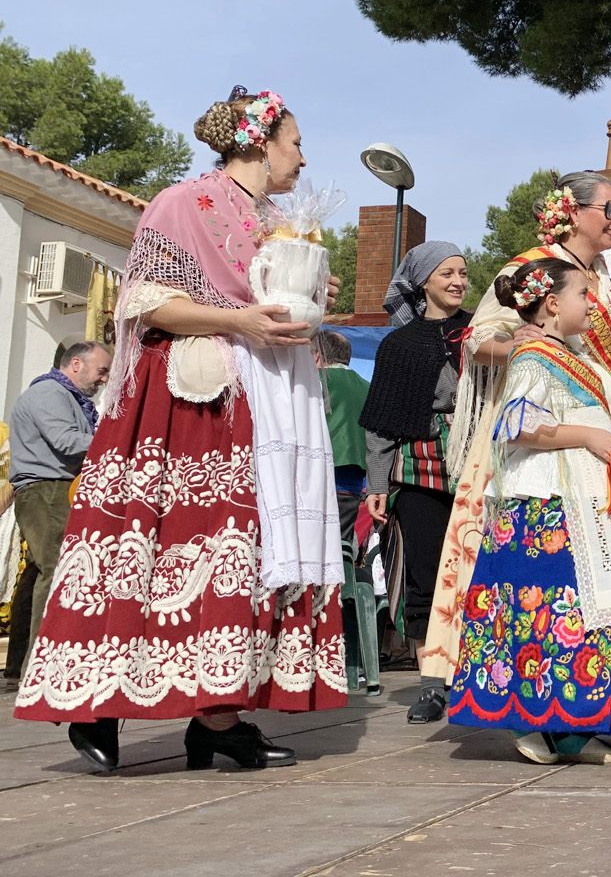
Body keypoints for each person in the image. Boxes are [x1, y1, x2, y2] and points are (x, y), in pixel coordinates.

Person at [14, 87, 347, 771]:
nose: (303, 157)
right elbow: (147, 302)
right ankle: (95, 705)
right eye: (296, 141)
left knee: (235, 548)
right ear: (257, 140)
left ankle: (218, 716)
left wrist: (312, 294)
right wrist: (241, 319)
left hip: (256, 401)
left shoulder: (279, 219)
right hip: (188, 401)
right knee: (159, 540)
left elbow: (270, 301)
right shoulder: (181, 202)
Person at [415, 172, 611, 698]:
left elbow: (607, 367)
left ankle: (595, 683)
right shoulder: (532, 268)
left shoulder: (602, 280)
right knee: (515, 562)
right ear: (574, 212)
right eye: (610, 209)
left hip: (598, 428)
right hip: (537, 425)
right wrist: (531, 352)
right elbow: (479, 340)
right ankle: (461, 677)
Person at [445, 260, 611, 763]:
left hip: (580, 502)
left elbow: (585, 422)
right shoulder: (534, 355)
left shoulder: (576, 356)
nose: (591, 304)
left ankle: (579, 719)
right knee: (552, 615)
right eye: (583, 293)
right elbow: (518, 424)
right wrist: (593, 435)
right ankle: (557, 727)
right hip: (545, 508)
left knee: (577, 614)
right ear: (553, 303)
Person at [359, 243, 471, 724]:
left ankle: (475, 676)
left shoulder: (483, 332)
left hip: (476, 468)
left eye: (463, 273)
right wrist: (377, 483)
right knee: (424, 577)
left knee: (475, 574)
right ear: (423, 280)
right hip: (419, 470)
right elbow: (382, 422)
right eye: (446, 272)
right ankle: (431, 685)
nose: (456, 281)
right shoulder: (399, 345)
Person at [1, 341, 112, 679]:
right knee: (56, 570)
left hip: (49, 488)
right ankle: (41, 666)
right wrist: (116, 441)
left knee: (37, 572)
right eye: (102, 370)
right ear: (75, 363)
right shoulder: (50, 393)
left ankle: (21, 664)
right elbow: (66, 442)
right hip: (48, 489)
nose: (104, 379)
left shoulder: (66, 397)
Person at [317, 330, 370, 556]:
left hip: (318, 479)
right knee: (341, 550)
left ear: (317, 355)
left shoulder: (315, 381)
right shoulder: (369, 387)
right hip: (353, 485)